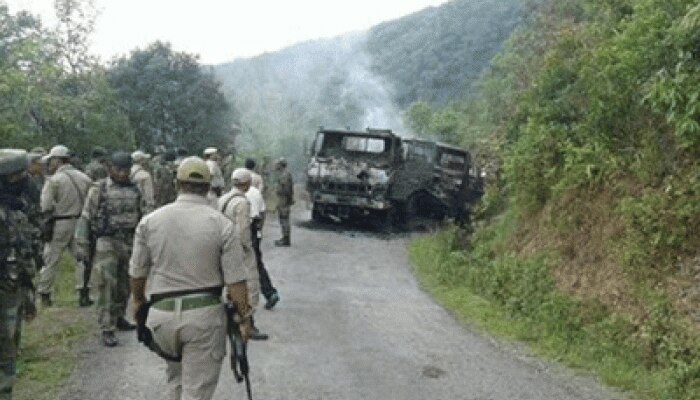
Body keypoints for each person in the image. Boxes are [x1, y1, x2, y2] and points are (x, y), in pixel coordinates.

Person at [129, 156, 252, 400]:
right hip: (203, 320)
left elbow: (137, 272)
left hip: (161, 318)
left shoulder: (150, 221)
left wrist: (138, 303)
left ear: (177, 184)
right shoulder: (222, 225)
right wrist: (244, 317)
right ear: (208, 187)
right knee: (196, 392)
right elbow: (236, 283)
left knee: (176, 379)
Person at [75, 152, 141, 347]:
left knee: (124, 284)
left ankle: (119, 316)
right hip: (106, 241)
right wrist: (82, 244)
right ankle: (106, 327)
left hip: (128, 241)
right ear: (110, 169)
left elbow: (143, 215)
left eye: (126, 170)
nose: (122, 174)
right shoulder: (99, 189)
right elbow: (86, 217)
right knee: (105, 285)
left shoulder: (135, 190)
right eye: (118, 170)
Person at [0, 149, 38, 400]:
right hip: (7, 289)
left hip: (11, 290)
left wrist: (28, 294)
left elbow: (24, 256)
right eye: (17, 176)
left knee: (8, 352)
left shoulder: (15, 211)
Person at [37, 145, 92, 307]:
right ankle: (83, 292)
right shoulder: (84, 178)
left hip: (60, 223)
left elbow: (45, 206)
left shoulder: (54, 180)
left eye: (52, 160)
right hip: (81, 222)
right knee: (81, 259)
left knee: (51, 259)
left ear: (58, 160)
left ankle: (45, 294)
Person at [219, 168, 268, 340]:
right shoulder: (242, 203)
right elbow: (243, 230)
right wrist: (248, 249)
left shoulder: (223, 199)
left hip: (223, 247)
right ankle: (248, 322)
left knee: (228, 284)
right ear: (247, 183)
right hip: (238, 249)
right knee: (250, 286)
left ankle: (227, 321)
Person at [244, 160, 280, 310]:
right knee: (257, 263)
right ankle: (270, 293)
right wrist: (259, 230)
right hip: (253, 228)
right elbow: (262, 213)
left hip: (238, 230)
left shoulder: (231, 195)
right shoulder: (256, 191)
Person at [274, 158, 294, 247]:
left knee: (284, 218)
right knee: (283, 218)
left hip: (284, 199)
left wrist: (287, 199)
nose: (276, 166)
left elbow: (286, 189)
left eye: (277, 164)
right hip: (284, 199)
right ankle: (285, 237)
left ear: (281, 165)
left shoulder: (285, 175)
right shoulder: (285, 174)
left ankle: (286, 239)